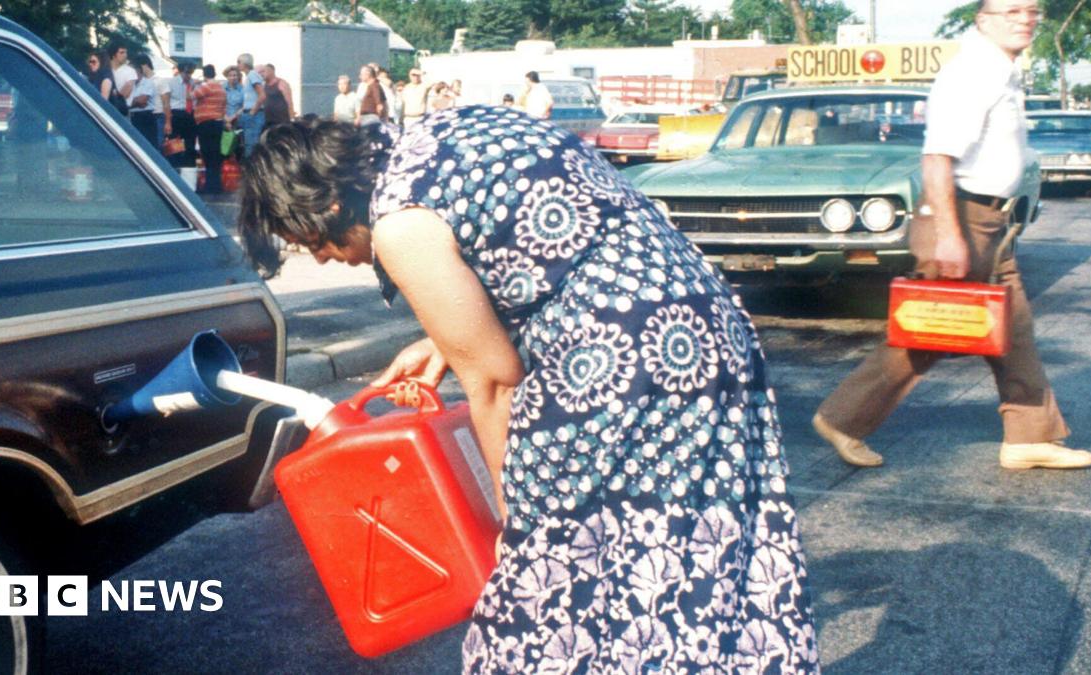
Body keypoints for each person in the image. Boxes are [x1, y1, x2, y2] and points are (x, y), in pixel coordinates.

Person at [237, 109, 818, 672]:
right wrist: (444, 340)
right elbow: (540, 251)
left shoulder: (400, 224)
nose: (321, 256)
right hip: (704, 335)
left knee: (547, 586)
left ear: (331, 204)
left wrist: (514, 521)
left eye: (311, 239)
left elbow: (493, 382)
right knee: (688, 553)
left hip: (621, 368)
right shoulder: (444, 133)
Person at [813, 0, 1091, 472]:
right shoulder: (973, 74)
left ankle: (1028, 438)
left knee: (1014, 330)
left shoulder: (1000, 70)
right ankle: (842, 418)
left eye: (1031, 11)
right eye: (1011, 11)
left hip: (990, 221)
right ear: (983, 20)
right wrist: (949, 235)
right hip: (960, 216)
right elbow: (937, 158)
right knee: (930, 329)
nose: (1024, 19)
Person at [193, 64, 227, 194]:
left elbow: (191, 96)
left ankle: (209, 185)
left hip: (205, 123)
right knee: (216, 154)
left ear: (205, 74)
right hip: (218, 122)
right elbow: (224, 107)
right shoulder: (221, 89)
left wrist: (196, 83)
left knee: (206, 154)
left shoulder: (206, 87)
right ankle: (216, 185)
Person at [165, 61, 198, 168]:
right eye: (186, 72)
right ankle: (175, 166)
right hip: (177, 114)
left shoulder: (193, 83)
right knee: (175, 144)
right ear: (181, 71)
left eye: (191, 73)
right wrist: (168, 121)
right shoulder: (172, 83)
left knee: (190, 144)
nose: (188, 75)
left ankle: (189, 167)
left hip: (190, 114)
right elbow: (167, 102)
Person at [126, 54, 159, 147]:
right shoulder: (128, 84)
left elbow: (142, 100)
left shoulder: (148, 83)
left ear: (138, 71)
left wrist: (129, 102)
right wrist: (133, 102)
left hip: (145, 117)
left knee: (149, 144)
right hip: (131, 117)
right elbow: (122, 100)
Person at [237, 53, 265, 157]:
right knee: (248, 144)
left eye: (239, 62)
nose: (238, 65)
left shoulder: (253, 75)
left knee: (251, 145)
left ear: (245, 63)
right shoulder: (248, 77)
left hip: (254, 115)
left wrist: (252, 111)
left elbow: (262, 95)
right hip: (248, 113)